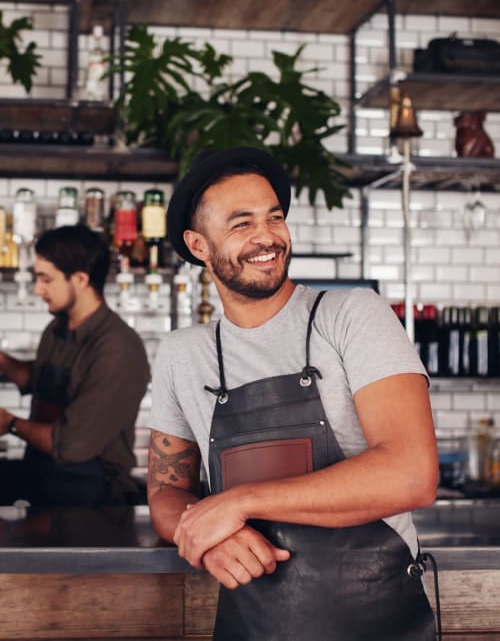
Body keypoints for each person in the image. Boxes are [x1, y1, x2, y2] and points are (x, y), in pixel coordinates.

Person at [147, 147, 439, 640]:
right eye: (241, 223)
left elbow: (412, 474)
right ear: (199, 245)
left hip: (378, 622)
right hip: (251, 625)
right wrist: (202, 536)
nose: (267, 237)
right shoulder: (182, 354)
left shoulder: (350, 316)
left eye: (274, 217)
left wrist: (237, 503)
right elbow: (166, 490)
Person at [0, 224, 150, 507]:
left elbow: (71, 445)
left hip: (92, 496)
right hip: (45, 478)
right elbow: (38, 379)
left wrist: (11, 424)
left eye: (45, 279)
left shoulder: (118, 349)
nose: (37, 290)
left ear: (80, 279)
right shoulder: (57, 329)